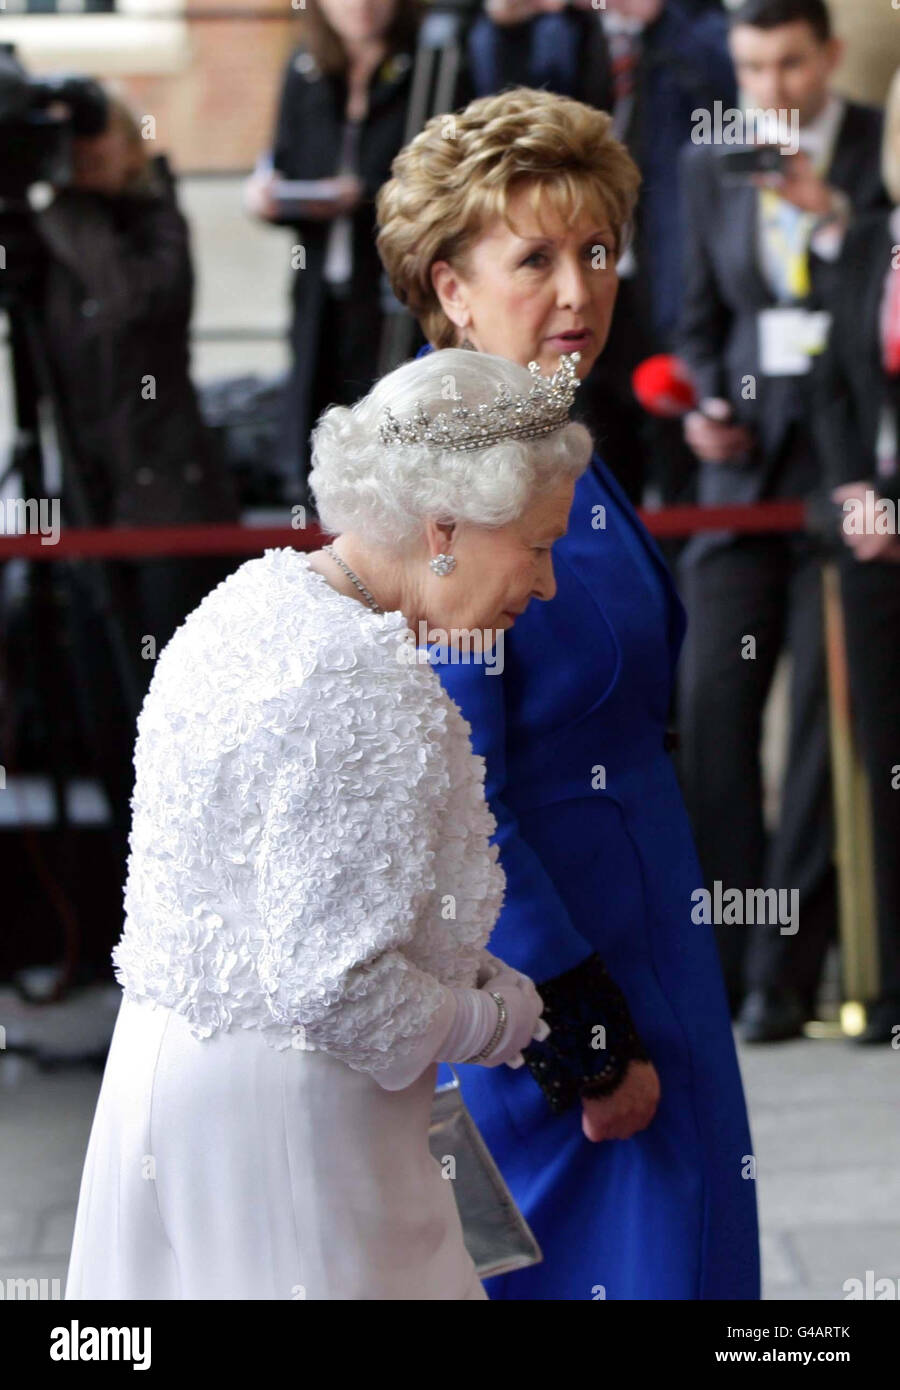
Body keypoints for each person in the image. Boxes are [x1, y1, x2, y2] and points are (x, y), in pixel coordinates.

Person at [63, 347, 591, 1300]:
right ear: (444, 528)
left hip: (175, 1079)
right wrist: (494, 1020)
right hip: (295, 1127)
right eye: (540, 545)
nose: (546, 584)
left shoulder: (252, 601)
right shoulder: (361, 679)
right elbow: (335, 985)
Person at [376, 85, 760, 1299]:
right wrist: (581, 1033)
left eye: (595, 251)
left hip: (652, 948)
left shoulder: (547, 439)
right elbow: (455, 790)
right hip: (558, 994)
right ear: (451, 286)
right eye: (533, 257)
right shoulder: (451, 476)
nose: (579, 291)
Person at [675, 0, 889, 1038]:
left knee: (820, 725)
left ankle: (787, 978)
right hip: (743, 474)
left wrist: (838, 215)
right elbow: (697, 318)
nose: (773, 89)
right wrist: (709, 405)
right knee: (713, 702)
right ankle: (721, 962)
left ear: (830, 56)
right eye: (753, 66)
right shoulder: (709, 160)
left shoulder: (877, 154)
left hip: (843, 472)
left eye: (791, 63)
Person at [36, 90, 240, 893]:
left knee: (169, 706)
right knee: (104, 711)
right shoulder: (46, 232)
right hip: (90, 499)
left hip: (169, 503)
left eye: (94, 139)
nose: (81, 156)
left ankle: (202, 890)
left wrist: (58, 205)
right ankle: (134, 902)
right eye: (65, 145)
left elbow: (131, 303)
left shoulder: (158, 221)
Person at [467, 0, 737, 506]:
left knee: (679, 458)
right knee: (586, 449)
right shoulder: (562, 25)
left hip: (673, 277)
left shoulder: (697, 18)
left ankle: (671, 579)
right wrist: (505, 26)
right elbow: (499, 115)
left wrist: (657, 19)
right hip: (574, 277)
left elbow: (732, 94)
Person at [244, 0, 424, 511]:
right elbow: (282, 160)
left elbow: (438, 181)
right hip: (320, 278)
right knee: (318, 417)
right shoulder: (305, 69)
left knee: (388, 416)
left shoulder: (428, 68)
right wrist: (273, 196)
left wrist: (363, 194)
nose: (361, 7)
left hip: (391, 283)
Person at [811, 67, 900, 1045]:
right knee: (886, 768)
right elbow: (833, 384)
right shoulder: (872, 239)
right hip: (873, 542)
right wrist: (854, 494)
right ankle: (889, 987)